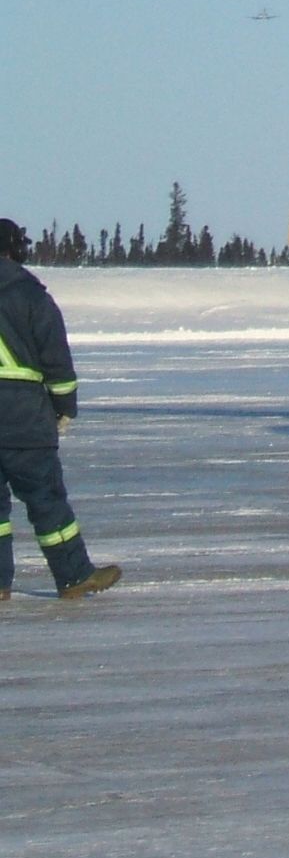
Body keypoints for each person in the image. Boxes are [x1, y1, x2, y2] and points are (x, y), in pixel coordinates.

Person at [0, 218, 121, 600]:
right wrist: (65, 407)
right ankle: (73, 577)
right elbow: (57, 363)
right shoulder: (32, 296)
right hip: (25, 422)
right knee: (46, 501)